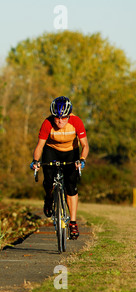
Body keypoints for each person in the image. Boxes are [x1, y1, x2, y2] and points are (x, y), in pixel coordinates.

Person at [30, 96, 89, 240]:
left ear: (69, 116)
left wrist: (82, 160)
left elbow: (85, 145)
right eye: (57, 118)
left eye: (63, 118)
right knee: (48, 180)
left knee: (71, 187)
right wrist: (35, 161)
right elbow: (40, 146)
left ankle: (73, 223)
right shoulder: (47, 123)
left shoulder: (76, 122)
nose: (60, 121)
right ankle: (49, 198)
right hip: (52, 151)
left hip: (71, 152)